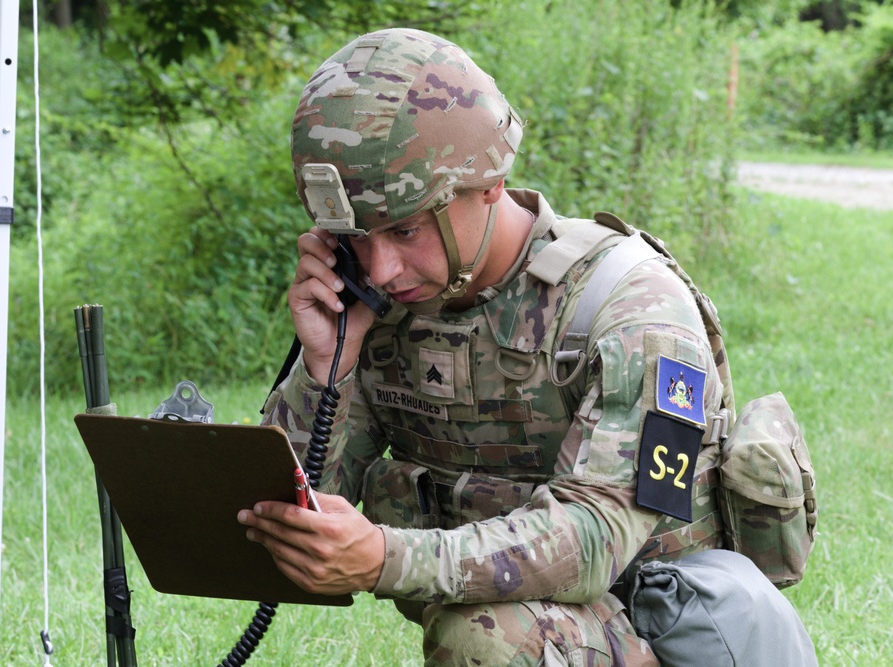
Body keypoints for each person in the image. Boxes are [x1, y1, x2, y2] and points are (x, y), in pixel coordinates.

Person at [238, 28, 734, 666]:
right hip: (559, 629)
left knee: (486, 635)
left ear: (490, 182)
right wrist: (325, 366)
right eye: (356, 237)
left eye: (405, 230)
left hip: (672, 632)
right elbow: (292, 520)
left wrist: (386, 558)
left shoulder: (632, 306)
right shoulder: (384, 307)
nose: (381, 269)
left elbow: (595, 539)